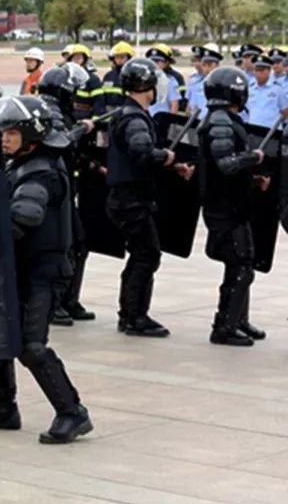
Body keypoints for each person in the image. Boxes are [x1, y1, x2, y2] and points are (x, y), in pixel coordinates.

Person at [0, 95, 93, 444]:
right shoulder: (21, 163)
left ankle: (72, 412)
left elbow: (26, 214)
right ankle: (2, 407)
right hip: (18, 265)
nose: (4, 138)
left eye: (11, 132)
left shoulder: (41, 172)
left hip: (43, 271)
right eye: (3, 132)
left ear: (31, 135)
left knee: (32, 346)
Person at [106, 59, 181, 337]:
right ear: (146, 86)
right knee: (147, 255)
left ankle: (129, 313)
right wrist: (165, 156)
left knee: (141, 254)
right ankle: (135, 317)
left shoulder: (123, 113)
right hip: (132, 199)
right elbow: (141, 149)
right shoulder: (135, 118)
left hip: (126, 197)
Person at [199, 67, 267, 346]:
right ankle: (224, 326)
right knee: (240, 266)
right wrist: (254, 157)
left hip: (233, 205)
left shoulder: (225, 120)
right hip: (224, 208)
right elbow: (226, 164)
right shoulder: (220, 122)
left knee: (243, 263)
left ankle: (238, 319)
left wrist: (253, 177)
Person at [37, 63, 96, 327]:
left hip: (62, 188)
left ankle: (68, 299)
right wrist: (83, 129)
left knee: (78, 244)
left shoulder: (52, 110)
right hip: (53, 192)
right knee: (63, 247)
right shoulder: (51, 112)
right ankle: (56, 303)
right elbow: (61, 142)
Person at [246, 55, 287, 129]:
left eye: (261, 70)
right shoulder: (250, 88)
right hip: (253, 129)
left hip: (272, 131)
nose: (258, 73)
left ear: (269, 71)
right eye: (256, 70)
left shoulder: (278, 89)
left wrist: (275, 124)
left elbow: (285, 112)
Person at [186, 43, 223, 118]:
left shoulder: (221, 82)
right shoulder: (196, 80)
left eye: (209, 65)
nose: (206, 68)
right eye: (204, 64)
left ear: (217, 65)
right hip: (197, 118)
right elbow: (191, 103)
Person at [97, 42, 134, 115]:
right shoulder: (108, 75)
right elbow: (102, 96)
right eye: (117, 57)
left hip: (125, 113)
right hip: (108, 114)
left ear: (128, 58)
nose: (119, 59)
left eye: (122, 57)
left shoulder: (132, 76)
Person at [145, 45, 183, 115]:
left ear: (166, 63)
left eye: (157, 61)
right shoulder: (145, 80)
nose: (154, 64)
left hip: (162, 118)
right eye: (152, 61)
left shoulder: (170, 81)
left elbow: (174, 104)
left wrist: (170, 119)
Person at [66, 45, 101, 120]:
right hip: (69, 118)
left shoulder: (93, 79)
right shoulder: (67, 78)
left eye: (79, 57)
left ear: (85, 60)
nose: (76, 60)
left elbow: (98, 101)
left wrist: (95, 120)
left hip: (86, 119)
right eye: (74, 58)